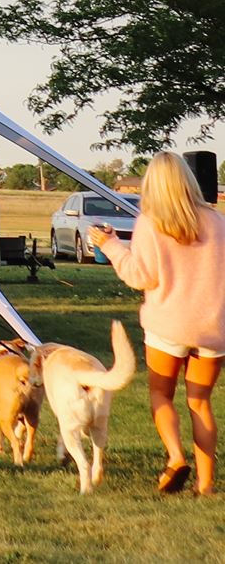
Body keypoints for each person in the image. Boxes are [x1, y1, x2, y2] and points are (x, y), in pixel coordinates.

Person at [93, 152, 225, 495]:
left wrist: (111, 246)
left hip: (168, 325)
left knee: (160, 394)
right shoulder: (217, 222)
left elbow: (141, 277)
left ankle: (176, 457)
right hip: (212, 328)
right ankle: (206, 483)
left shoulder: (150, 223)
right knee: (200, 402)